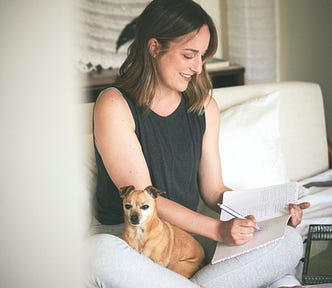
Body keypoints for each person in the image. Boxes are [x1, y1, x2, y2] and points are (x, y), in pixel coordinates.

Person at [86, 0, 310, 287]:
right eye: (189, 55)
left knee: (289, 242)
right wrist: (218, 229)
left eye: (202, 56)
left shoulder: (204, 107)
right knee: (97, 255)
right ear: (154, 48)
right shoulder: (114, 104)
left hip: (186, 239)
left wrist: (272, 216)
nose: (198, 67)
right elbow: (146, 200)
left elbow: (213, 190)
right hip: (131, 238)